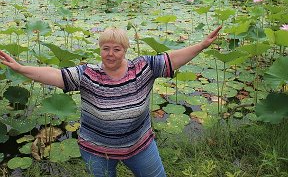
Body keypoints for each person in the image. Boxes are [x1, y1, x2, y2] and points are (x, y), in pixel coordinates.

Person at [0, 26, 222, 177]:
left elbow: (172, 59)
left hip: (139, 146)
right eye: (106, 48)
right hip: (97, 150)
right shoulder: (88, 75)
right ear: (100, 49)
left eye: (116, 49)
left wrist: (201, 46)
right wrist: (21, 69)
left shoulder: (142, 68)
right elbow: (55, 75)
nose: (110, 54)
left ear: (125, 50)